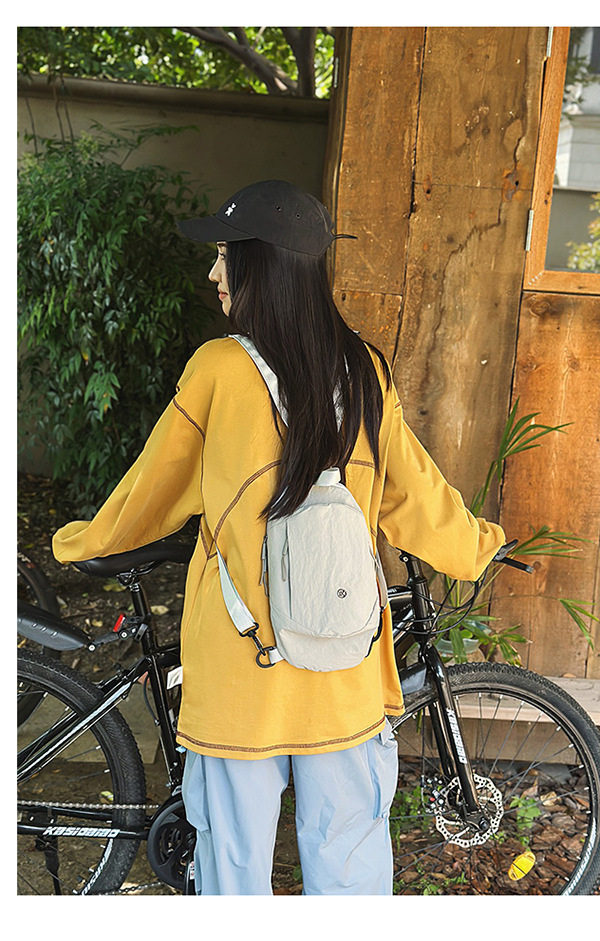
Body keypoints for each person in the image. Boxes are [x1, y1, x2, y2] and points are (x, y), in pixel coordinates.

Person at [52, 179, 506, 896]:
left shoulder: (218, 370)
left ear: (259, 264)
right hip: (343, 658)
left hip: (242, 660)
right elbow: (414, 493)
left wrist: (82, 542)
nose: (214, 271)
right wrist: (477, 546)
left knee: (234, 867)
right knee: (349, 862)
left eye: (224, 254)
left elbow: (152, 491)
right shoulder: (365, 369)